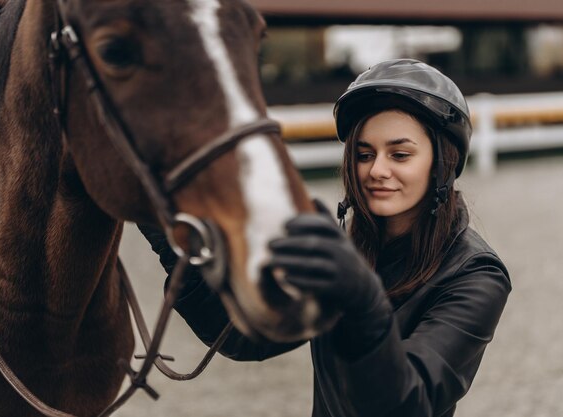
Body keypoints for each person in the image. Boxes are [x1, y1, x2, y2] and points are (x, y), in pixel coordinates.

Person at [139, 58, 511, 417]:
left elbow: (408, 404)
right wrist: (171, 234)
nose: (377, 170)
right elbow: (243, 337)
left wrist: (362, 299)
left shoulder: (477, 275)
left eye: (400, 154)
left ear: (442, 164)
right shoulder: (349, 246)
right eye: (364, 154)